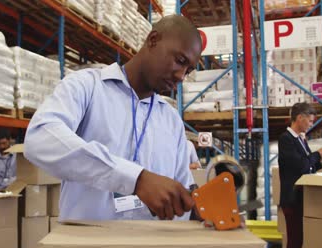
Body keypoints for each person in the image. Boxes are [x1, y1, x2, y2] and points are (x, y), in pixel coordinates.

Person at [24, 15, 202, 221]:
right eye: (180, 61)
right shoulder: (87, 88)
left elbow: (182, 189)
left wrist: (198, 209)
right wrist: (136, 179)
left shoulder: (172, 121)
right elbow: (40, 139)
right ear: (153, 39)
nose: (181, 76)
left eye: (188, 70)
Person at [278, 102, 322, 248]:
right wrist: (317, 154)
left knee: (298, 241)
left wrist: (321, 161)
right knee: (294, 242)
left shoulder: (301, 140)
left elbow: (308, 166)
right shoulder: (286, 139)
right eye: (310, 120)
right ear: (300, 118)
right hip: (292, 198)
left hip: (301, 197)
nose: (311, 124)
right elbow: (301, 165)